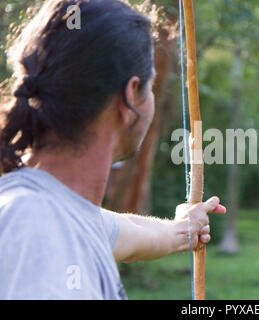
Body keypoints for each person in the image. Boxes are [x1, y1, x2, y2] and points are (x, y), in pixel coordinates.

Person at [0, 0, 226, 299]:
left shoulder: (59, 210)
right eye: (151, 85)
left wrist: (186, 228)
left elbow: (127, 232)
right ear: (131, 95)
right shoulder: (32, 223)